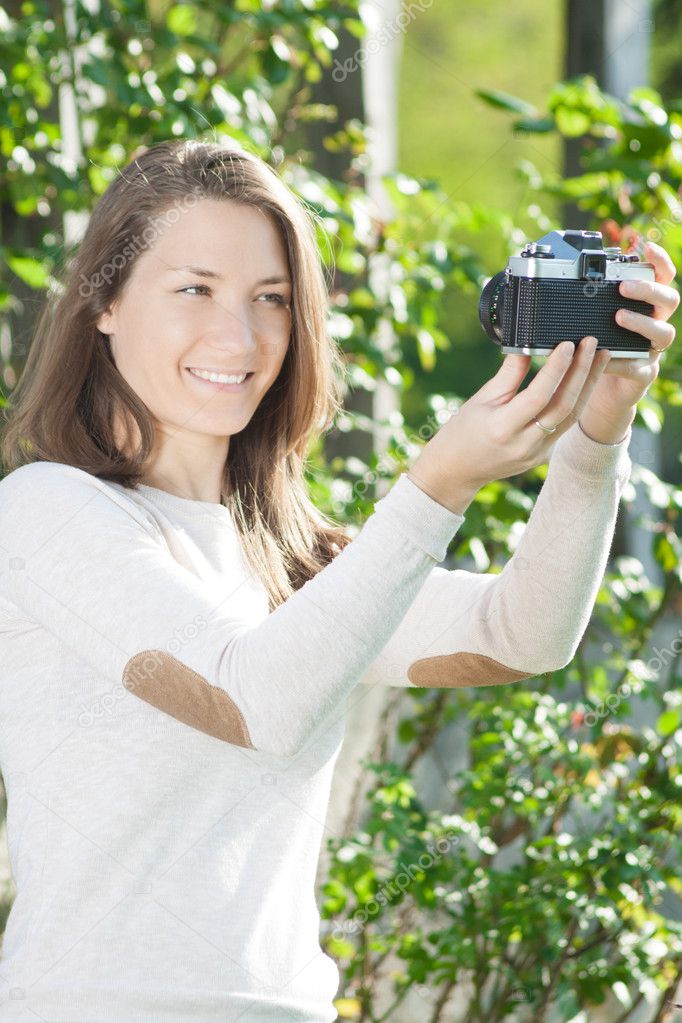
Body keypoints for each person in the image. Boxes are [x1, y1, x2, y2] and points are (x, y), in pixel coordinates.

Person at [0, 138, 677, 1022]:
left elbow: (526, 634)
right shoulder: (44, 512)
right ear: (104, 301)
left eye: (271, 299)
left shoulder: (286, 562)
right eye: (193, 288)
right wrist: (439, 483)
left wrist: (596, 437)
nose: (239, 336)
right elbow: (255, 700)